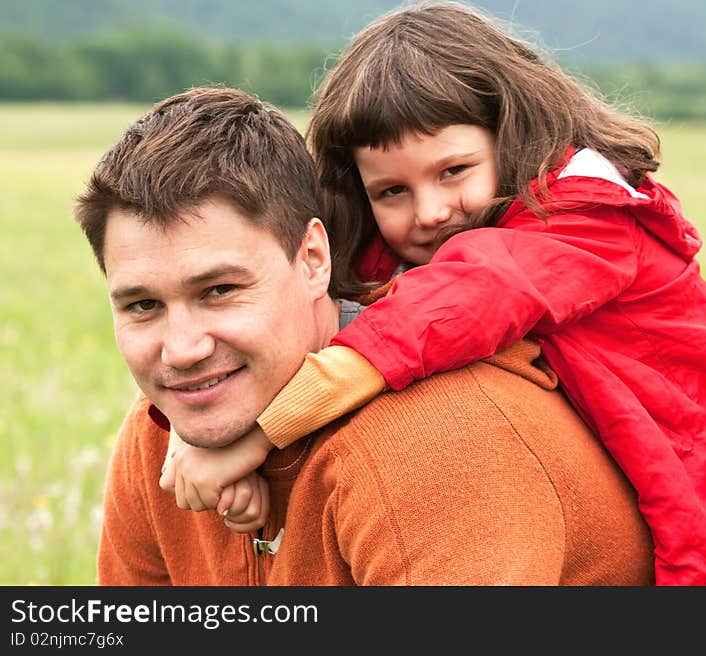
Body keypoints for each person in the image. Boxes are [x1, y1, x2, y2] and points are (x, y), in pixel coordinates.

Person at [159, 1, 706, 586]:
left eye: (453, 171)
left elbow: (453, 306)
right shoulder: (395, 246)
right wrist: (199, 433)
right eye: (392, 190)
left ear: (511, 137)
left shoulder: (583, 220)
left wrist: (254, 436)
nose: (428, 211)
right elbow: (296, 319)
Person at [76, 85, 655, 585]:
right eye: (143, 305)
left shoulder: (433, 445)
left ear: (313, 259)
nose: (181, 350)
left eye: (220, 291)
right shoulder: (166, 433)